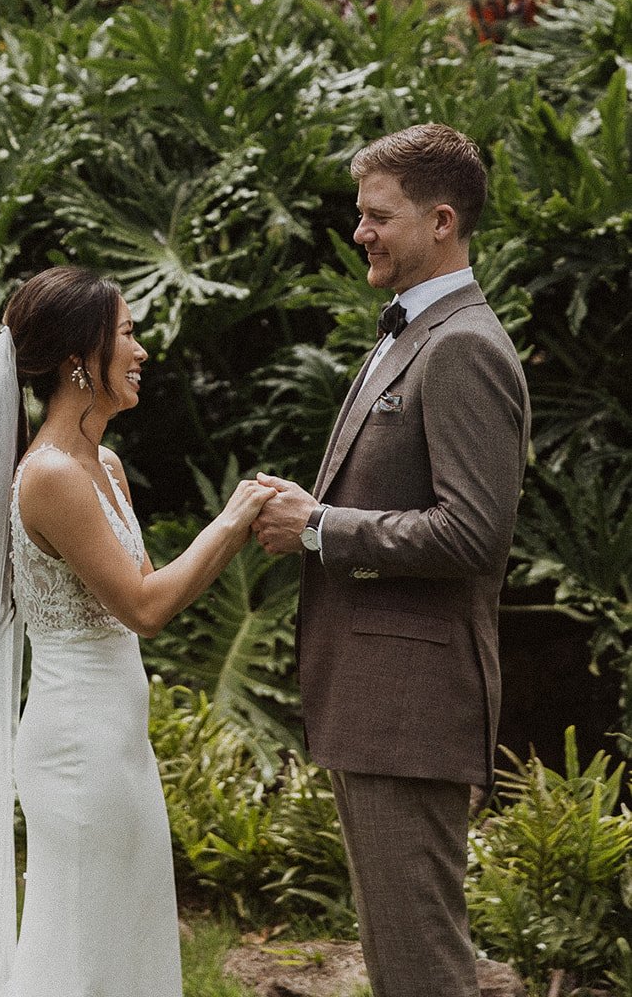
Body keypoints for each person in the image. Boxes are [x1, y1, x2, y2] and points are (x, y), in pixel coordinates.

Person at [0, 263, 274, 997]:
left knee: (120, 938)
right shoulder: (51, 478)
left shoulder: (104, 465)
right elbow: (144, 608)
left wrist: (240, 521)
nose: (141, 351)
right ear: (79, 362)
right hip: (76, 745)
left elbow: (143, 591)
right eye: (126, 335)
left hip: (118, 739)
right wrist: (233, 520)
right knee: (73, 949)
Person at [253, 122, 530, 997]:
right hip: (377, 703)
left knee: (421, 969)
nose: (360, 232)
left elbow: (474, 533)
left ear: (441, 220)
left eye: (378, 216)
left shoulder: (463, 347)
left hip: (412, 710)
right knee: (398, 961)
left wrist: (320, 527)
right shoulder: (411, 331)